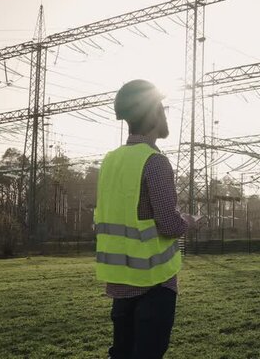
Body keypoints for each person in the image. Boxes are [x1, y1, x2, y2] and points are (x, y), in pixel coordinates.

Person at [95, 79, 196, 359]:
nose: (165, 116)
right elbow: (169, 224)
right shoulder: (155, 162)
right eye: (162, 110)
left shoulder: (110, 161)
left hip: (120, 283)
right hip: (154, 284)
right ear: (152, 114)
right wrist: (191, 220)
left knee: (122, 354)